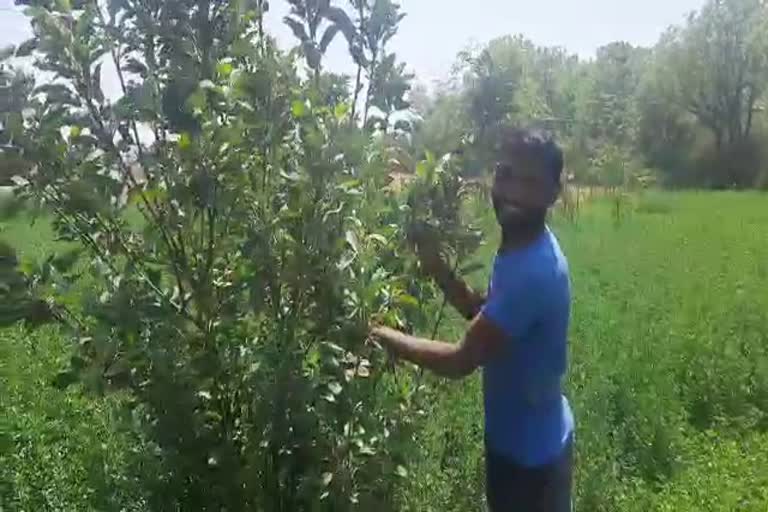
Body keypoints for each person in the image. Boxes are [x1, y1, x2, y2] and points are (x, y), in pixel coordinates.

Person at [370, 129, 574, 512]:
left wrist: (380, 335)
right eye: (506, 174)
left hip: (529, 462)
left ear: (552, 193)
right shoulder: (521, 243)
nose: (513, 190)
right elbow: (486, 317)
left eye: (530, 182)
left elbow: (461, 360)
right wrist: (438, 269)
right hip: (529, 438)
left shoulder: (534, 271)